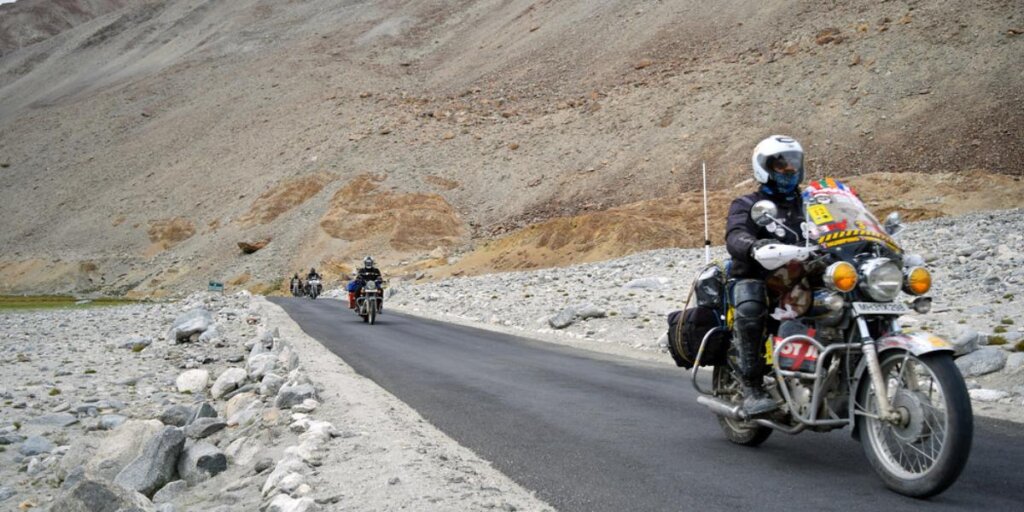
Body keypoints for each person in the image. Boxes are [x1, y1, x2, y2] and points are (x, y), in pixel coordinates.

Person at [724, 135, 807, 415]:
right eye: (781, 164)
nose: (789, 169)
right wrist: (753, 245)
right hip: (758, 275)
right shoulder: (747, 203)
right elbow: (735, 235)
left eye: (794, 163)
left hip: (800, 277)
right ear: (764, 168)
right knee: (751, 306)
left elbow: (836, 223)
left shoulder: (809, 202)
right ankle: (752, 387)